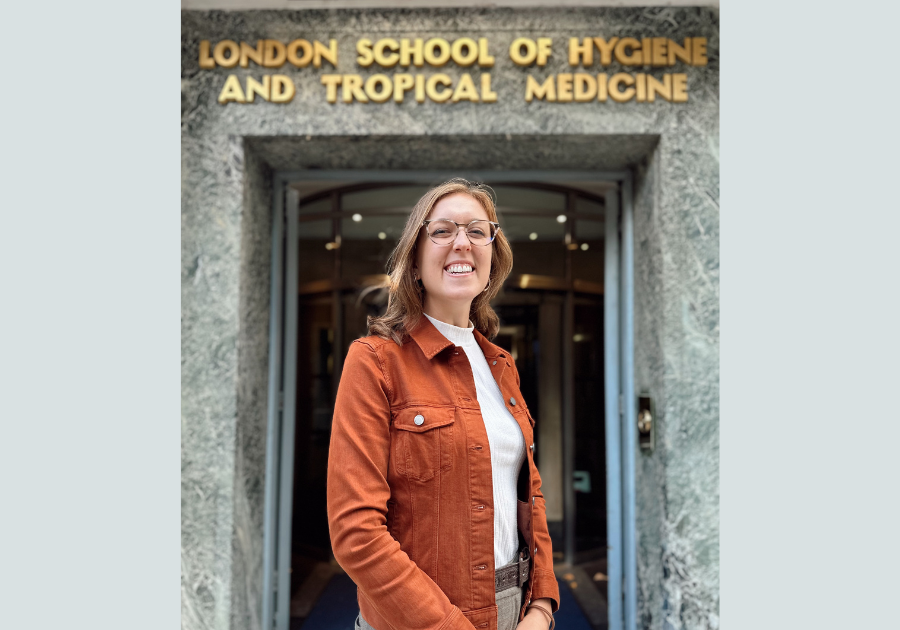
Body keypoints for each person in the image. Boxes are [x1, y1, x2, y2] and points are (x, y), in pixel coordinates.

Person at [327, 179, 559, 630]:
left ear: (493, 256)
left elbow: (530, 495)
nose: (462, 243)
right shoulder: (375, 361)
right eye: (442, 231)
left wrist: (543, 605)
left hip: (514, 610)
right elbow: (356, 534)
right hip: (416, 618)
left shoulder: (501, 366)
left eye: (477, 231)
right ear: (414, 259)